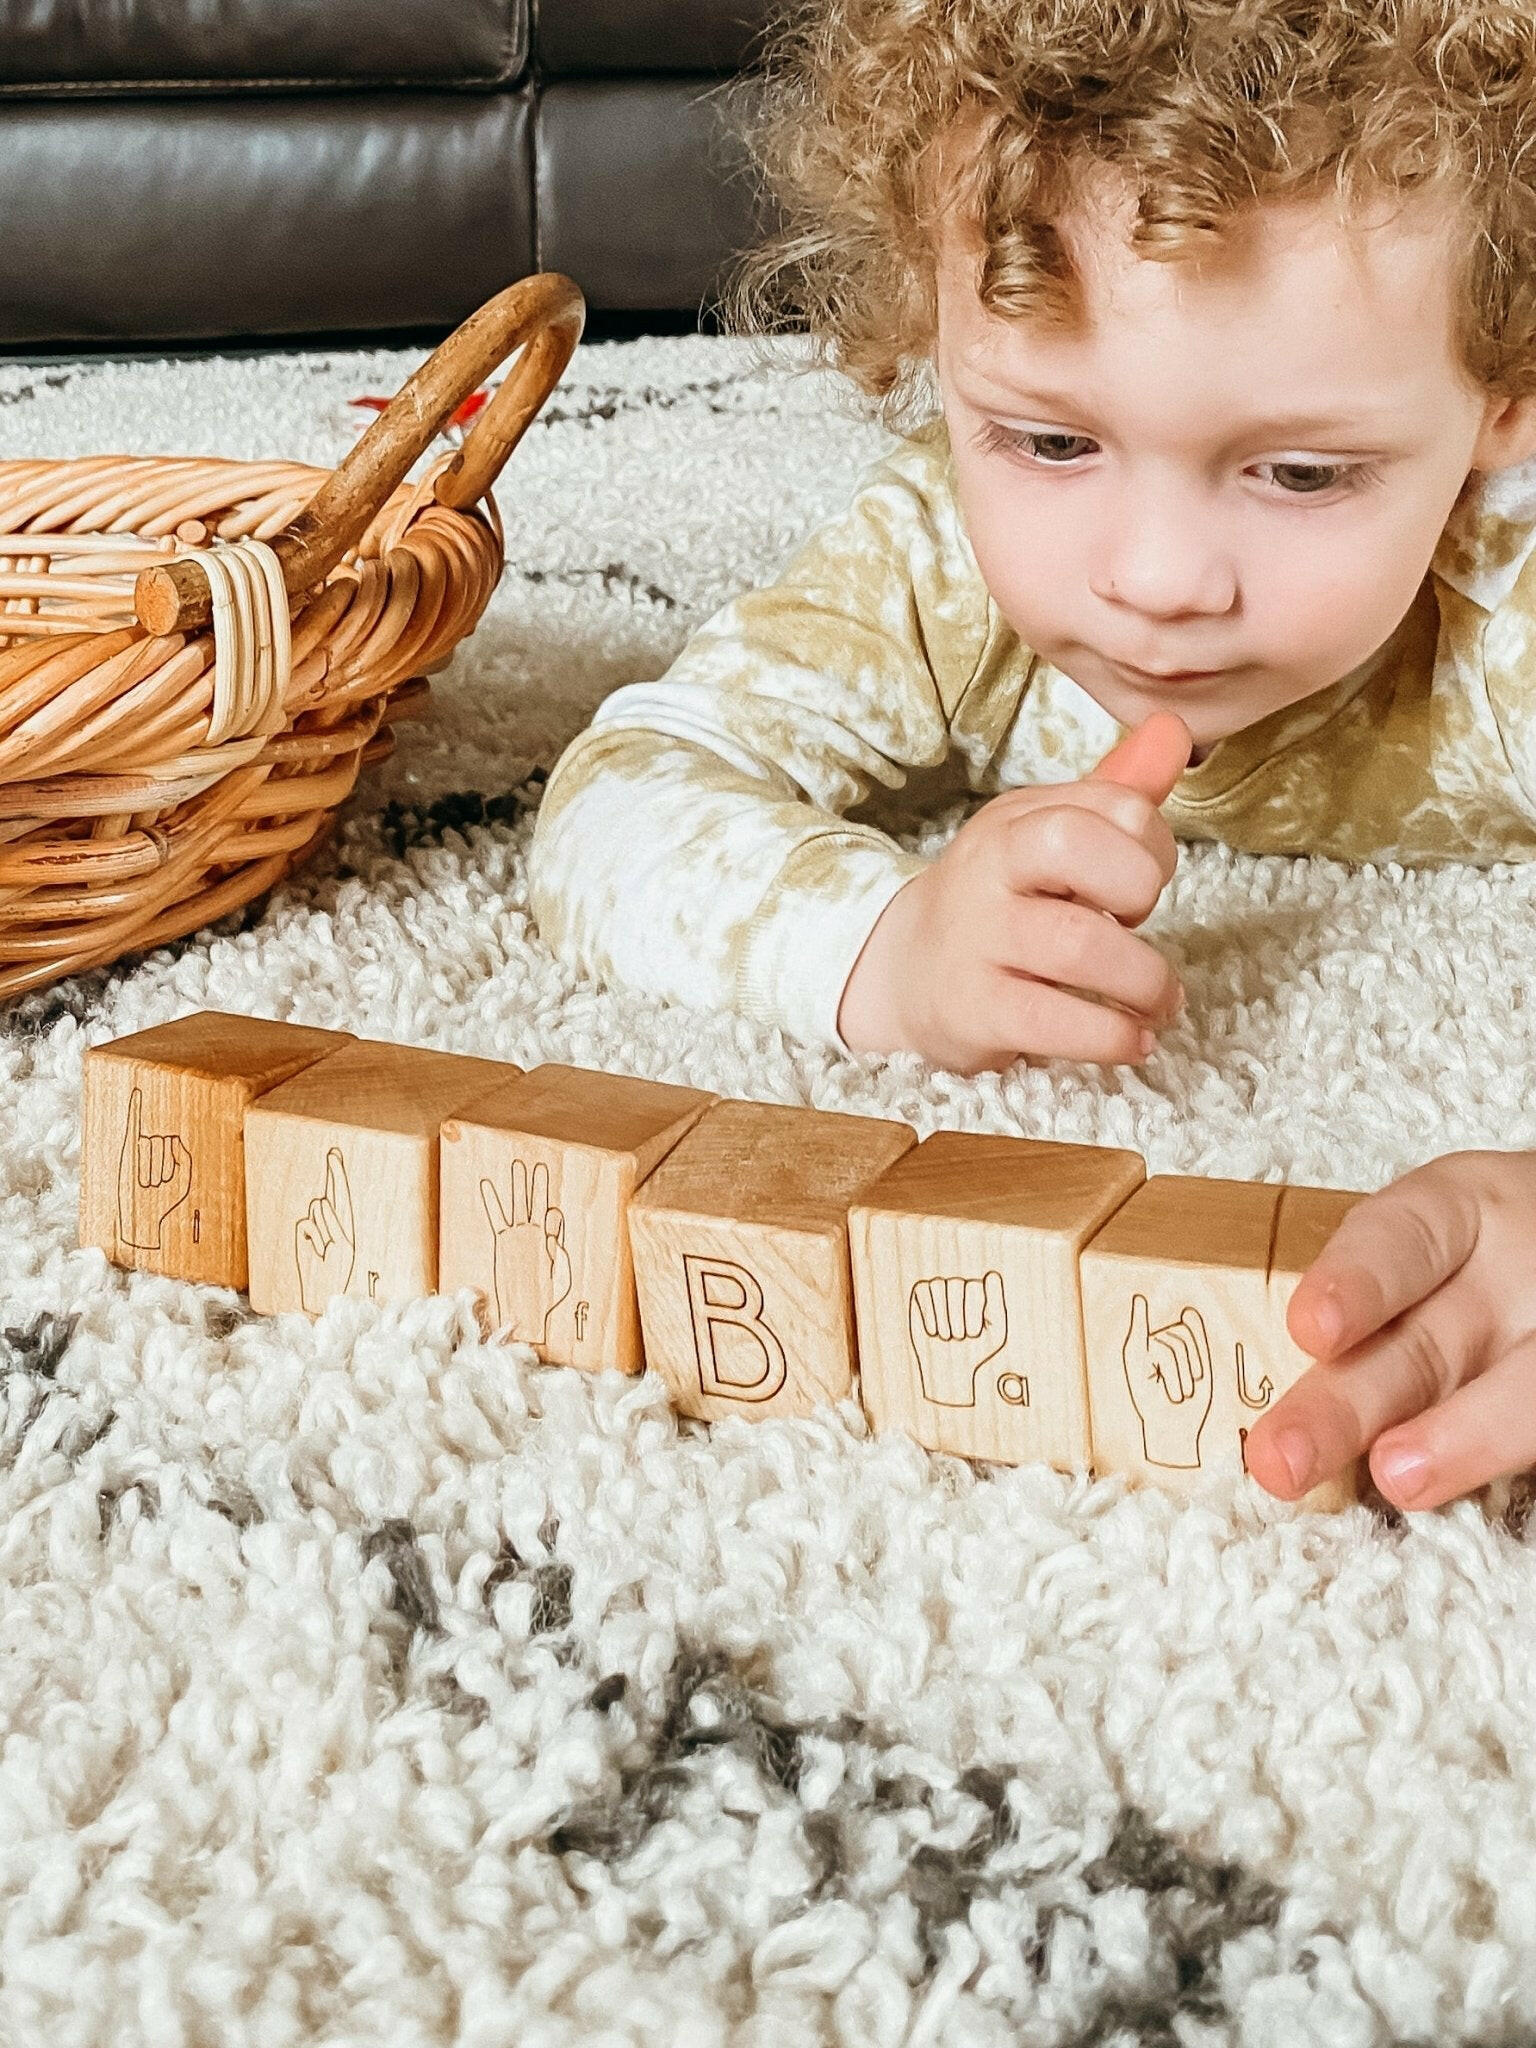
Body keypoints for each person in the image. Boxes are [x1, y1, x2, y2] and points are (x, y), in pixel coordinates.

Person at [527, 0, 1536, 1515]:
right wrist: (887, 943)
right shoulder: (939, 558)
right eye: (1050, 443)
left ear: (1501, 412)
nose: (1153, 577)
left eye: (1303, 471)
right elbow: (618, 799)